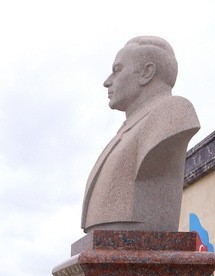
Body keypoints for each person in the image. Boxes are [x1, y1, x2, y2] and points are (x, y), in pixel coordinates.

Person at [81, 36, 200, 233]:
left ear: (147, 73)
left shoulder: (174, 113)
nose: (107, 82)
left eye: (117, 71)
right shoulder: (128, 128)